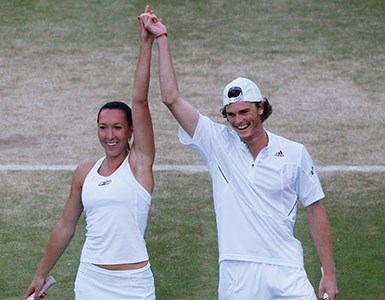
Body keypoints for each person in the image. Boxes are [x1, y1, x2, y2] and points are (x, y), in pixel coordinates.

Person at [138, 9, 339, 300]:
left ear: (261, 108)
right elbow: (170, 98)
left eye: (244, 111)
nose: (238, 120)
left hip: (287, 270)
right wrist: (163, 39)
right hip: (237, 273)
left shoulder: (295, 153)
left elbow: (315, 209)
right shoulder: (216, 142)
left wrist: (328, 273)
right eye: (230, 114)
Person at [23, 7, 159, 300]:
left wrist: (145, 45)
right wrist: (40, 273)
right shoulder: (85, 173)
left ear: (131, 131)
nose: (110, 136)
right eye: (103, 128)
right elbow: (66, 225)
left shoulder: (140, 164)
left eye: (118, 128)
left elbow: (141, 100)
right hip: (91, 280)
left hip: (134, 284)